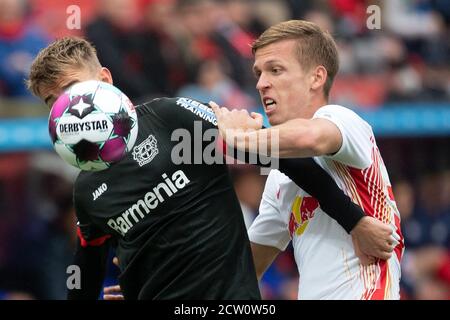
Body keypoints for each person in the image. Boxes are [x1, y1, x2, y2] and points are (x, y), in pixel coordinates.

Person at [27, 37, 395, 300]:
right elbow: (85, 273)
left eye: (73, 89)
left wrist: (354, 220)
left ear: (105, 80)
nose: (67, 106)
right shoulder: (88, 190)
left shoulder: (170, 119)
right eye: (53, 101)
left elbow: (283, 158)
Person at [211, 20, 404, 299]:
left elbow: (310, 138)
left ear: (316, 77)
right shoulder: (278, 179)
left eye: (275, 70)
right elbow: (242, 273)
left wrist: (239, 138)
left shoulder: (344, 121)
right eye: (259, 73)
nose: (261, 83)